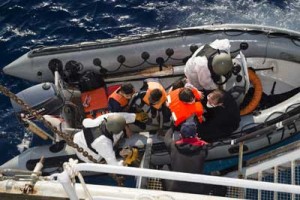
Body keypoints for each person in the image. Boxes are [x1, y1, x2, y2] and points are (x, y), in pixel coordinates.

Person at [73, 112, 148, 165]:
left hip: (78, 138)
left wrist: (135, 117)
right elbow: (114, 165)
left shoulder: (105, 119)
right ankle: (119, 153)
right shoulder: (103, 143)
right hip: (88, 154)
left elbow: (119, 116)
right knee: (111, 154)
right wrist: (126, 162)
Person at [163, 121, 208, 194]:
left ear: (180, 135)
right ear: (196, 135)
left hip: (175, 188)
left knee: (165, 167)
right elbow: (203, 149)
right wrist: (197, 140)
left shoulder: (173, 146)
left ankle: (166, 191)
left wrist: (173, 127)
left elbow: (166, 138)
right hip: (197, 190)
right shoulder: (203, 148)